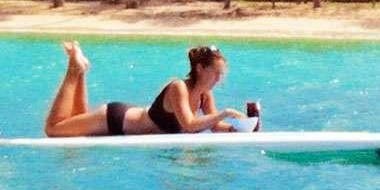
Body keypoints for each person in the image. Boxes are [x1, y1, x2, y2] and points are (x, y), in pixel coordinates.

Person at [42, 42, 247, 137]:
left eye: (222, 74)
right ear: (200, 69)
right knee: (54, 129)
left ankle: (81, 71)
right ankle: (73, 69)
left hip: (128, 117)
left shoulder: (204, 94)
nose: (219, 79)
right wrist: (226, 113)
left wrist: (241, 128)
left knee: (77, 118)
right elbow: (190, 124)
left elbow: (213, 125)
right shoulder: (178, 87)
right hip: (116, 120)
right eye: (216, 73)